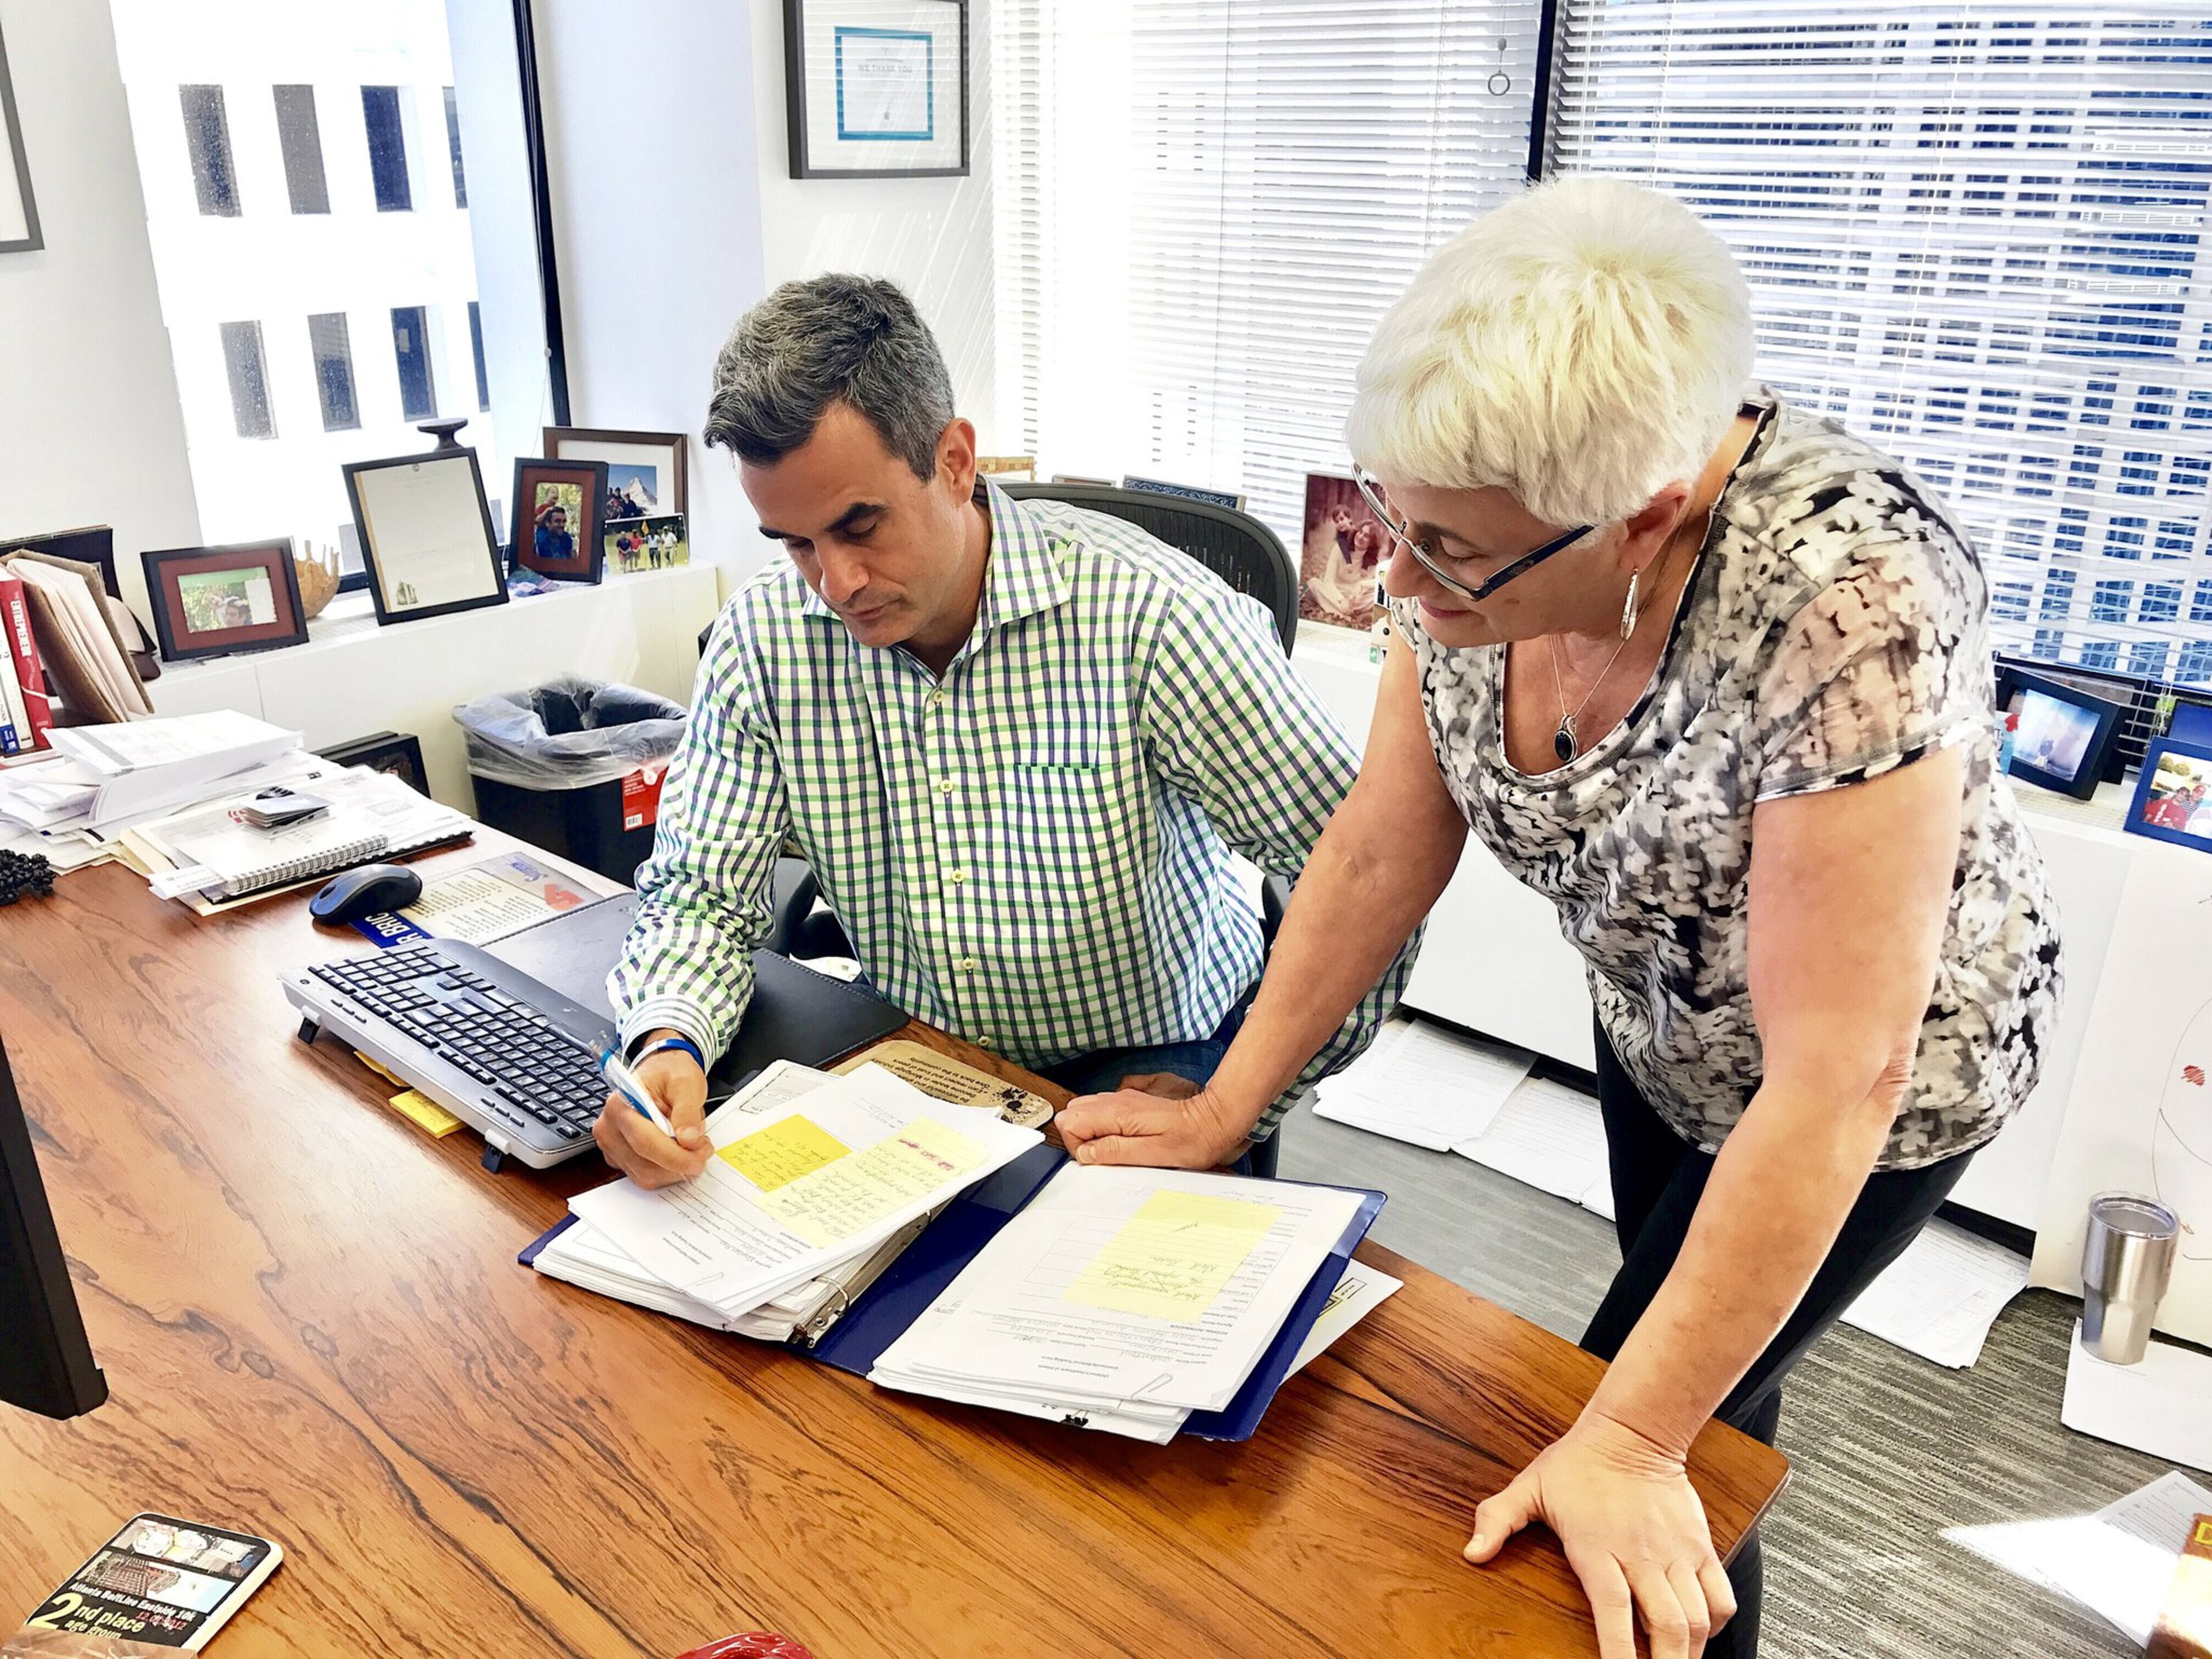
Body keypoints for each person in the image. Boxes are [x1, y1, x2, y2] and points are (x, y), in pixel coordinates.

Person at [1056, 176, 2062, 1659]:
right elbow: (1376, 852)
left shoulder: (1852, 597)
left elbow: (1833, 1074)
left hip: (1874, 1084)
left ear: (1641, 514)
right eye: (1390, 521)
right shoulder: (1465, 520)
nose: (1394, 579)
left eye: (1445, 551)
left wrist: (1631, 1436)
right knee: (1709, 1408)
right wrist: (1223, 1106)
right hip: (1659, 1025)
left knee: (1612, 1439)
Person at [594, 273, 1418, 1190]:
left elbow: (1370, 885)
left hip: (1149, 1060)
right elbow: (699, 890)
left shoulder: (1158, 619)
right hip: (916, 1059)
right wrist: (666, 1037)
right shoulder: (765, 639)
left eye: (859, 524)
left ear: (954, 461)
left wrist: (1238, 1094)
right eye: (793, 544)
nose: (835, 582)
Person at [534, 502, 575, 566]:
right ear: (548, 523)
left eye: (564, 521)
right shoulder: (538, 542)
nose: (562, 525)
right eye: (558, 521)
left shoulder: (567, 539)